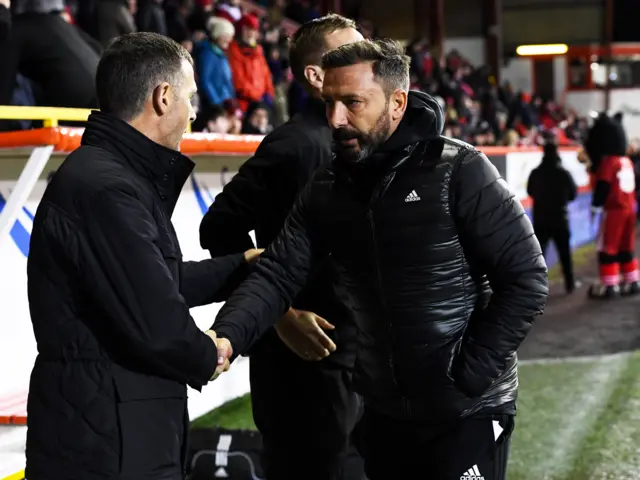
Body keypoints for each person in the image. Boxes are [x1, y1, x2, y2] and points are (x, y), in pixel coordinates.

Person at [210, 39, 548, 480]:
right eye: (329, 103)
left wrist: (466, 376)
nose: (336, 119)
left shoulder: (462, 170)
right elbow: (276, 273)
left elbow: (525, 280)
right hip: (383, 414)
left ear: (397, 102)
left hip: (464, 415)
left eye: (352, 103)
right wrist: (227, 338)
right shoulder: (327, 188)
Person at [25, 32, 260, 480]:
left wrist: (239, 266)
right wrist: (207, 353)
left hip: (111, 425)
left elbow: (155, 280)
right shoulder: (106, 188)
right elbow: (157, 322)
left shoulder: (110, 177)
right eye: (190, 98)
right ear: (163, 96)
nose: (194, 112)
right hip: (108, 440)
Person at [199, 14, 366, 480]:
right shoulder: (293, 145)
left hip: (357, 356)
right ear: (315, 76)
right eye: (352, 54)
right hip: (304, 369)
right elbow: (217, 228)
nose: (368, 63)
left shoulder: (360, 140)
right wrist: (280, 315)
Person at [584, 112, 640, 298]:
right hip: (630, 208)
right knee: (626, 246)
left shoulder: (609, 162)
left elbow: (604, 185)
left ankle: (610, 284)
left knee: (608, 246)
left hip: (614, 209)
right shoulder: (627, 161)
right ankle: (632, 279)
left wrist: (596, 205)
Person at [527, 141, 578, 293]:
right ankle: (570, 284)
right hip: (560, 218)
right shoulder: (564, 173)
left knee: (539, 254)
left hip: (541, 219)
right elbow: (573, 195)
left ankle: (537, 287)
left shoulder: (535, 172)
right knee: (565, 254)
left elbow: (530, 191)